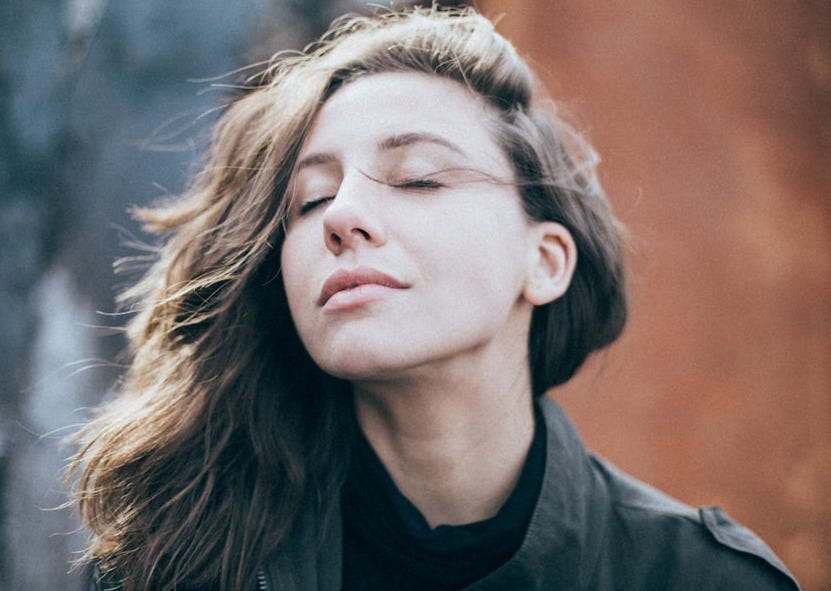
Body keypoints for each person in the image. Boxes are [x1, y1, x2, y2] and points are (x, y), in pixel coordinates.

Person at [71, 6, 800, 591]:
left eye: (418, 178)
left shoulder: (698, 577)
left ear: (544, 261)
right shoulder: (170, 561)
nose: (340, 216)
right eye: (310, 199)